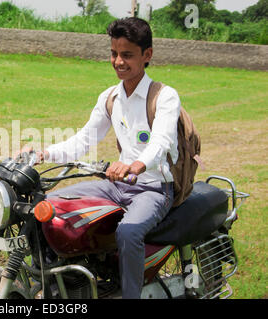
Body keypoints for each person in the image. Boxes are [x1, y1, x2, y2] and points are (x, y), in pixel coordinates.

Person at [23, 17, 181, 299]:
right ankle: (54, 288)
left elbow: (161, 142)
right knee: (48, 207)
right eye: (114, 53)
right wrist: (42, 154)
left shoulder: (165, 96)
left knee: (128, 233)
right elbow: (84, 140)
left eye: (127, 55)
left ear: (147, 55)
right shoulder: (110, 97)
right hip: (117, 185)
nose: (118, 61)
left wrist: (135, 164)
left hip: (155, 188)